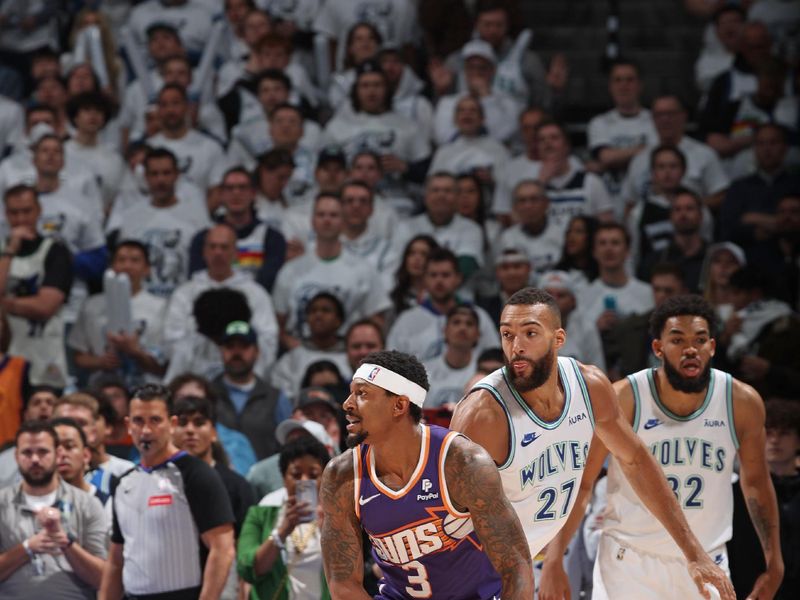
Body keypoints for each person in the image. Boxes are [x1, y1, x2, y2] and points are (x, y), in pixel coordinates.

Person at [450, 288, 735, 599]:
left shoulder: (590, 386)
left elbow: (636, 460)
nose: (516, 346)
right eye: (507, 334)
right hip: (474, 573)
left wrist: (694, 553)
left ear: (558, 339)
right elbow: (441, 515)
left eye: (530, 333)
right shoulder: (483, 414)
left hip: (527, 558)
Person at [543, 294, 783, 600]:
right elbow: (583, 483)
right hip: (630, 563)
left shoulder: (742, 403)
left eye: (700, 340)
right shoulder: (625, 399)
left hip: (708, 560)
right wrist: (554, 558)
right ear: (658, 348)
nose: (691, 349)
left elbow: (756, 484)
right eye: (678, 340)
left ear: (712, 346)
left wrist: (774, 561)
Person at [319, 349, 534, 598]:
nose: (347, 404)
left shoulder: (461, 463)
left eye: (362, 394)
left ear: (399, 405)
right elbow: (342, 585)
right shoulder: (341, 476)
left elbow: (516, 568)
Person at [99, 383, 236, 600]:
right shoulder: (123, 482)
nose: (145, 430)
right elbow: (116, 560)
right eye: (138, 421)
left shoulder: (196, 474)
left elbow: (223, 549)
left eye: (155, 420)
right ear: (128, 425)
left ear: (172, 424)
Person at [0, 420, 108, 600]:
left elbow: (103, 579)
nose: (35, 459)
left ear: (58, 454)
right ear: (16, 456)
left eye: (43, 451)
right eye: (27, 452)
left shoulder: (87, 504)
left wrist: (66, 544)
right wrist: (27, 548)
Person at [238, 436, 332, 600]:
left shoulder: (338, 517)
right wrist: (281, 532)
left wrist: (330, 530)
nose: (304, 481)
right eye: (296, 474)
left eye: (313, 474)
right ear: (283, 477)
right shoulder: (260, 514)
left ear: (324, 478)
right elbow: (248, 569)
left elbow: (353, 571)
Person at [0, 184, 73, 387]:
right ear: (6, 214)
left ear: (39, 210)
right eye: (14, 213)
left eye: (27, 211)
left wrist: (5, 304)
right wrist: (9, 251)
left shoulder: (56, 251)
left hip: (45, 358)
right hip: (7, 358)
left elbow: (45, 306)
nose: (21, 219)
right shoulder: (3, 252)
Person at [68, 239, 167, 387]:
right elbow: (79, 355)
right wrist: (100, 362)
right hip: (101, 386)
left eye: (135, 260)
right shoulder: (92, 305)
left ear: (147, 269)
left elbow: (165, 363)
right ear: (111, 267)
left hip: (146, 387)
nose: (127, 266)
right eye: (121, 260)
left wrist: (136, 352)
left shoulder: (161, 307)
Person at [387, 247, 499, 361]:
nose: (439, 281)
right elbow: (393, 363)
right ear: (424, 279)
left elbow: (495, 358)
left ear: (458, 278)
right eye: (433, 275)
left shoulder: (479, 316)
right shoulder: (406, 321)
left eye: (445, 275)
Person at [171, 394, 256, 536]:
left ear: (213, 433)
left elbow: (245, 543)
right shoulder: (158, 482)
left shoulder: (237, 486)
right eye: (182, 423)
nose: (190, 430)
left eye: (199, 423)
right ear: (171, 430)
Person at [212, 320, 293, 460]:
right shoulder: (207, 393)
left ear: (257, 351)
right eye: (230, 346)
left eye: (244, 346)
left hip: (263, 480)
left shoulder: (275, 398)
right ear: (221, 351)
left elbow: (289, 445)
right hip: (215, 478)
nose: (236, 352)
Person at [764, 399, 800, 599]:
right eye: (769, 433)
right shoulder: (739, 493)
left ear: (798, 440)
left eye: (784, 433)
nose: (775, 440)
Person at [422, 305, 480, 410]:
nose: (463, 328)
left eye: (469, 324)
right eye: (456, 322)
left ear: (478, 335)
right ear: (445, 331)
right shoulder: (424, 370)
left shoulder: (483, 374)